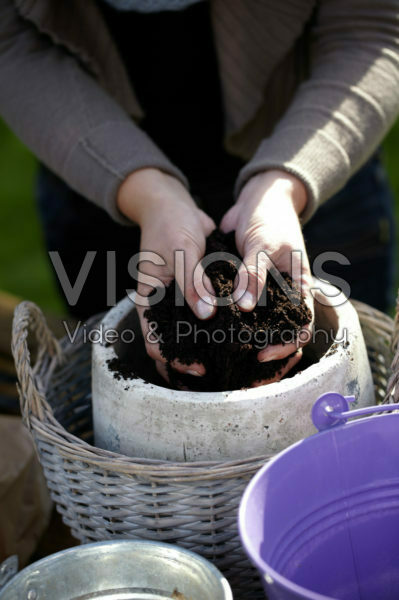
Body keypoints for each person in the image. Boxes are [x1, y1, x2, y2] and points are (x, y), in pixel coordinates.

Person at [1, 0, 398, 383]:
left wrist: (282, 189)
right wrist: (150, 197)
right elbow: (11, 44)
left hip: (311, 148)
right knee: (125, 370)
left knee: (350, 371)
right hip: (92, 161)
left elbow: (370, 28)